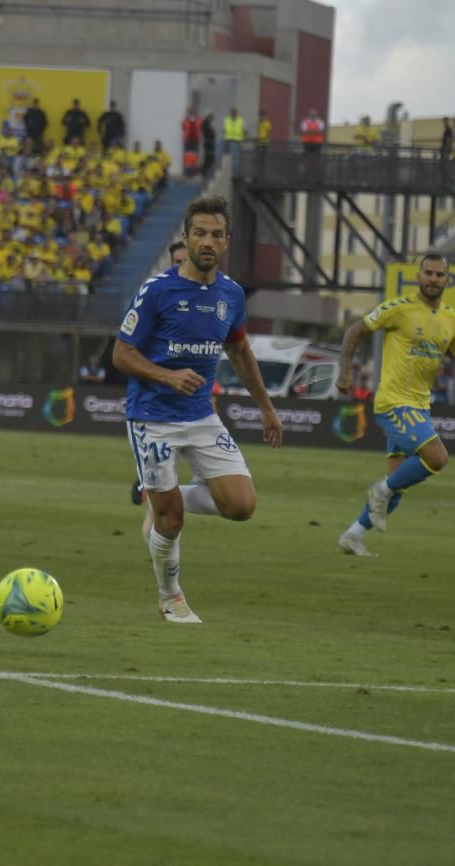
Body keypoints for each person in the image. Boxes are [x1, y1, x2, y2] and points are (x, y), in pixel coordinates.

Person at [112, 194, 283, 623]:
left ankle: (159, 497)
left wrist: (266, 407)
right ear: (185, 237)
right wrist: (167, 376)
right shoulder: (157, 290)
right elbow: (120, 353)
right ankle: (171, 598)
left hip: (201, 416)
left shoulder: (231, 295)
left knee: (242, 506)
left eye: (217, 234)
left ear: (226, 241)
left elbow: (240, 351)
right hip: (152, 418)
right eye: (201, 233)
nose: (208, 241)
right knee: (171, 523)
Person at [335, 253, 454, 556]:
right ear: (419, 276)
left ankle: (352, 535)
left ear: (447, 279)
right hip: (393, 403)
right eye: (428, 273)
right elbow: (354, 331)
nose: (433, 279)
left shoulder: (450, 319)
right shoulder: (399, 309)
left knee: (398, 485)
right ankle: (380, 490)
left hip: (419, 406)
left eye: (439, 275)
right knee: (437, 457)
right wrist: (345, 372)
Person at [130, 240, 191, 506]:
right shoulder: (154, 294)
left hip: (190, 407)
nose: (180, 266)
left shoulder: (213, 296)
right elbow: (128, 351)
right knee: (159, 507)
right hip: (154, 408)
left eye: (184, 261)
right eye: (176, 262)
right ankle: (150, 488)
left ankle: (154, 489)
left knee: (232, 496)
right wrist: (164, 375)